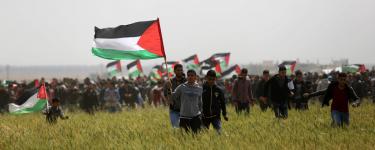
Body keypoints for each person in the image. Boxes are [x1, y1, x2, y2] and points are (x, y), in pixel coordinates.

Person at [164, 64, 186, 128]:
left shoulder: (186, 81)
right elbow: (166, 95)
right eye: (178, 70)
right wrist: (169, 101)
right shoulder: (169, 82)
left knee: (184, 129)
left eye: (181, 70)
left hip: (185, 110)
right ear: (174, 71)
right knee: (175, 127)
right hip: (174, 109)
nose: (180, 72)